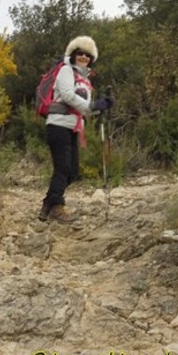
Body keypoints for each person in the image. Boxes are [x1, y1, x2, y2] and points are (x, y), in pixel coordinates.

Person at [39, 35, 114, 223]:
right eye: (80, 53)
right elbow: (67, 95)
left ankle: (48, 204)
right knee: (63, 168)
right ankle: (57, 207)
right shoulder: (66, 71)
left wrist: (101, 106)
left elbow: (84, 109)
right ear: (73, 55)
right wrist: (93, 105)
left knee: (72, 171)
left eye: (88, 55)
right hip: (58, 125)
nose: (84, 57)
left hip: (72, 128)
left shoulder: (85, 81)